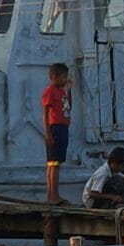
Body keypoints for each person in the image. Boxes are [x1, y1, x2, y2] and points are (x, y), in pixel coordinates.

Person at [42, 62, 72, 204]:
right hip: (55, 128)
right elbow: (45, 113)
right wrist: (47, 133)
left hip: (63, 127)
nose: (65, 79)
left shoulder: (61, 91)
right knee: (53, 164)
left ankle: (52, 195)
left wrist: (69, 91)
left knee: (55, 163)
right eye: (63, 77)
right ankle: (53, 195)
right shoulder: (50, 91)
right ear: (54, 76)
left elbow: (68, 107)